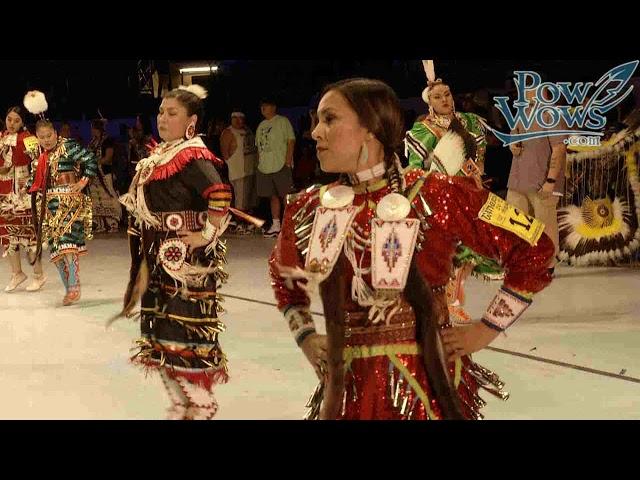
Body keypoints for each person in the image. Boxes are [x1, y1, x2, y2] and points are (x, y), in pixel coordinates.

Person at [269, 78, 555, 420]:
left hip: (425, 390)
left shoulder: (437, 193)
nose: (315, 132)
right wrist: (305, 335)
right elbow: (284, 277)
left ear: (371, 128)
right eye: (317, 121)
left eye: (329, 119)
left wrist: (485, 329)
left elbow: (534, 247)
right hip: (349, 394)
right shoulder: (309, 206)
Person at [117, 85, 235, 420]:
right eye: (160, 112)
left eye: (172, 113)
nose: (163, 118)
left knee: (185, 332)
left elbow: (220, 194)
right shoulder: (162, 155)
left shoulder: (192, 154)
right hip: (159, 257)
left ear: (191, 120)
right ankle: (183, 404)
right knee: (161, 335)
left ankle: (200, 405)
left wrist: (206, 235)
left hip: (186, 262)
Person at [25, 91, 98, 306]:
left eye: (49, 135)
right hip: (48, 206)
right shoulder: (39, 157)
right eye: (42, 137)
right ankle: (69, 288)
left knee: (68, 245)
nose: (46, 140)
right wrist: (26, 188)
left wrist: (83, 182)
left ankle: (74, 287)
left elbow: (90, 161)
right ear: (38, 138)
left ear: (55, 133)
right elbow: (33, 181)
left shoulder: (68, 146)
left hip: (70, 202)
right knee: (55, 250)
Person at [507, 87, 568, 275]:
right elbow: (513, 137)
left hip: (542, 180)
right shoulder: (522, 113)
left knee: (545, 225)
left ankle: (547, 265)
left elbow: (559, 148)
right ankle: (523, 262)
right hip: (518, 180)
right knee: (515, 224)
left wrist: (550, 180)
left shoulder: (553, 114)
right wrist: (512, 144)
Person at [0, 105, 45, 292]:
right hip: (4, 190)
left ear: (23, 122)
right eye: (9, 119)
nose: (12, 123)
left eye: (16, 120)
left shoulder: (30, 139)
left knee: (29, 233)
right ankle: (17, 273)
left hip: (24, 192)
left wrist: (33, 189)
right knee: (8, 234)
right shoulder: (1, 138)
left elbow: (38, 165)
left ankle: (38, 274)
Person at [255, 97, 295, 237]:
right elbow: (258, 146)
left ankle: (291, 224)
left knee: (286, 195)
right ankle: (276, 224)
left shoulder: (282, 121)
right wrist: (259, 163)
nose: (263, 109)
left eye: (266, 106)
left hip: (280, 164)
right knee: (272, 196)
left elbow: (291, 141)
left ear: (273, 107)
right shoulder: (261, 125)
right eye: (262, 106)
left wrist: (288, 161)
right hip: (265, 166)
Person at [219, 111, 258, 233]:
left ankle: (248, 222)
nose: (238, 121)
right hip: (238, 171)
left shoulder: (248, 131)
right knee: (241, 200)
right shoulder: (228, 132)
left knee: (250, 200)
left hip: (251, 169)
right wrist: (231, 165)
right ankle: (240, 223)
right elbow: (225, 153)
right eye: (235, 118)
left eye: (241, 118)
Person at [87, 119, 122, 233]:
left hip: (104, 174)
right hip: (94, 176)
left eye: (93, 128)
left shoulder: (107, 141)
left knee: (110, 196)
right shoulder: (93, 142)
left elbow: (108, 159)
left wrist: (94, 161)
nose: (91, 130)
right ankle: (101, 224)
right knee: (97, 199)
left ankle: (113, 223)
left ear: (97, 129)